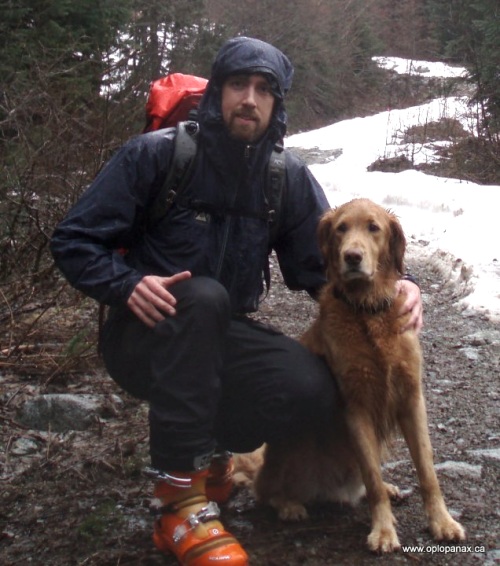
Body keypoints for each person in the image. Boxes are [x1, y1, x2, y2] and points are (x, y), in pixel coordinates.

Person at [50, 37, 423, 566]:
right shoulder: (156, 155)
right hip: (143, 335)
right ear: (216, 93)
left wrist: (401, 282)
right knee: (201, 297)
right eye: (238, 85)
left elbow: (329, 263)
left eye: (264, 89)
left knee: (310, 387)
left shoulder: (282, 176)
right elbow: (72, 240)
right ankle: (179, 507)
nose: (250, 98)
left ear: (277, 104)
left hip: (218, 333)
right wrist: (127, 284)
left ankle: (214, 457)